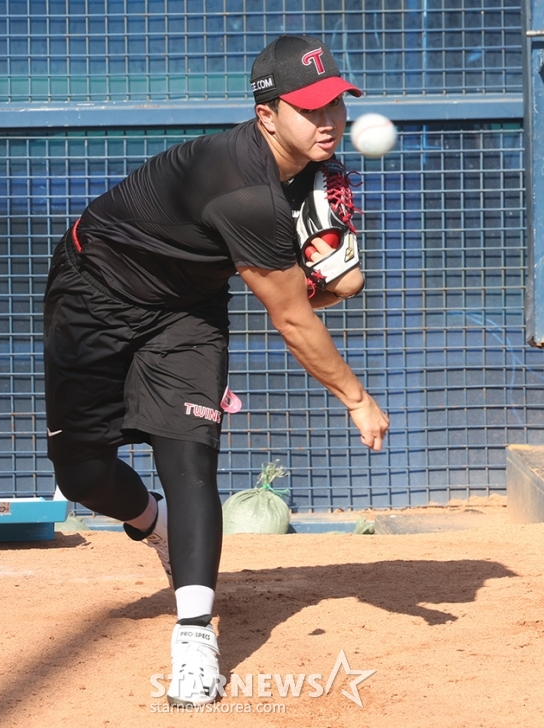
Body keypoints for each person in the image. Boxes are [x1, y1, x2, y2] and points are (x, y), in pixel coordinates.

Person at [43, 34, 390, 707]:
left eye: (336, 106)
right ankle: (155, 524)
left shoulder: (303, 176)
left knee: (190, 455)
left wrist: (328, 276)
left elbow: (293, 287)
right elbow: (292, 318)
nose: (329, 122)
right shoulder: (242, 187)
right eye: (310, 108)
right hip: (96, 292)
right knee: (81, 474)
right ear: (267, 116)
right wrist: (355, 397)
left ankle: (195, 637)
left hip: (186, 310)